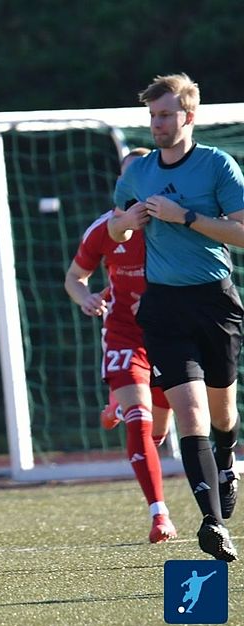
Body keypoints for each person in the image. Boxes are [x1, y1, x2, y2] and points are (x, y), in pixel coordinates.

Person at [109, 73, 244, 561]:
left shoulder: (216, 166)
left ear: (188, 116)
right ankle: (213, 522)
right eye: (152, 116)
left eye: (165, 115)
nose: (157, 124)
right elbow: (117, 228)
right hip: (163, 306)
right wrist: (128, 222)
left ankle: (226, 459)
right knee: (191, 414)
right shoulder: (139, 171)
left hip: (214, 300)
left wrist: (182, 216)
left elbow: (242, 233)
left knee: (223, 414)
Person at [65, 148, 177, 543]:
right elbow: (74, 278)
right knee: (139, 419)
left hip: (169, 334)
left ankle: (116, 404)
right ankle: (159, 515)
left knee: (158, 434)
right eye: (126, 179)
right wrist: (86, 298)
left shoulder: (174, 225)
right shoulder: (104, 229)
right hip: (124, 333)